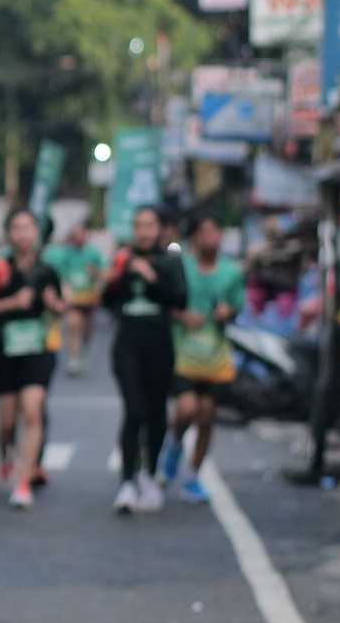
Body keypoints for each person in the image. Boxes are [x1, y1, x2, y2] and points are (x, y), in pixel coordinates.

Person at [101, 206, 186, 515]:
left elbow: (180, 299)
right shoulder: (123, 259)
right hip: (127, 346)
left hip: (159, 346)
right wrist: (119, 277)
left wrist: (150, 278)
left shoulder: (171, 261)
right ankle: (127, 481)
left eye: (150, 225)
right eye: (139, 225)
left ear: (159, 228)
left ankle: (149, 473)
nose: (144, 231)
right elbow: (107, 300)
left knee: (156, 413)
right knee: (134, 410)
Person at [0, 207, 58, 510]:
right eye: (17, 228)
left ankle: (23, 479)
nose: (23, 234)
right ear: (8, 233)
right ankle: (5, 457)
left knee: (32, 410)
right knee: (7, 422)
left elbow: (61, 307)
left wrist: (55, 305)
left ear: (36, 232)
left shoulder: (47, 270)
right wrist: (12, 302)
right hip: (4, 349)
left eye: (28, 228)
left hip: (37, 347)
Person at [161, 212, 243, 503]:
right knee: (186, 409)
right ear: (195, 236)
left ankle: (193, 475)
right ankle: (173, 445)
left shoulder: (232, 272)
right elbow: (163, 302)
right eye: (206, 232)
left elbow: (237, 306)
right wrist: (181, 316)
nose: (212, 238)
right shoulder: (180, 266)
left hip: (215, 358)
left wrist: (227, 312)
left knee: (206, 416)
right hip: (183, 354)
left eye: (216, 231)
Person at [50, 224, 104, 377]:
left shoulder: (93, 253)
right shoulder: (66, 254)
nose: (78, 238)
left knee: (87, 329)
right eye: (75, 235)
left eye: (81, 234)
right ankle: (73, 359)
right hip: (73, 299)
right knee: (72, 324)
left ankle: (83, 350)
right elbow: (60, 275)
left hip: (89, 297)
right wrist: (64, 291)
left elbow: (103, 274)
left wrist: (95, 275)